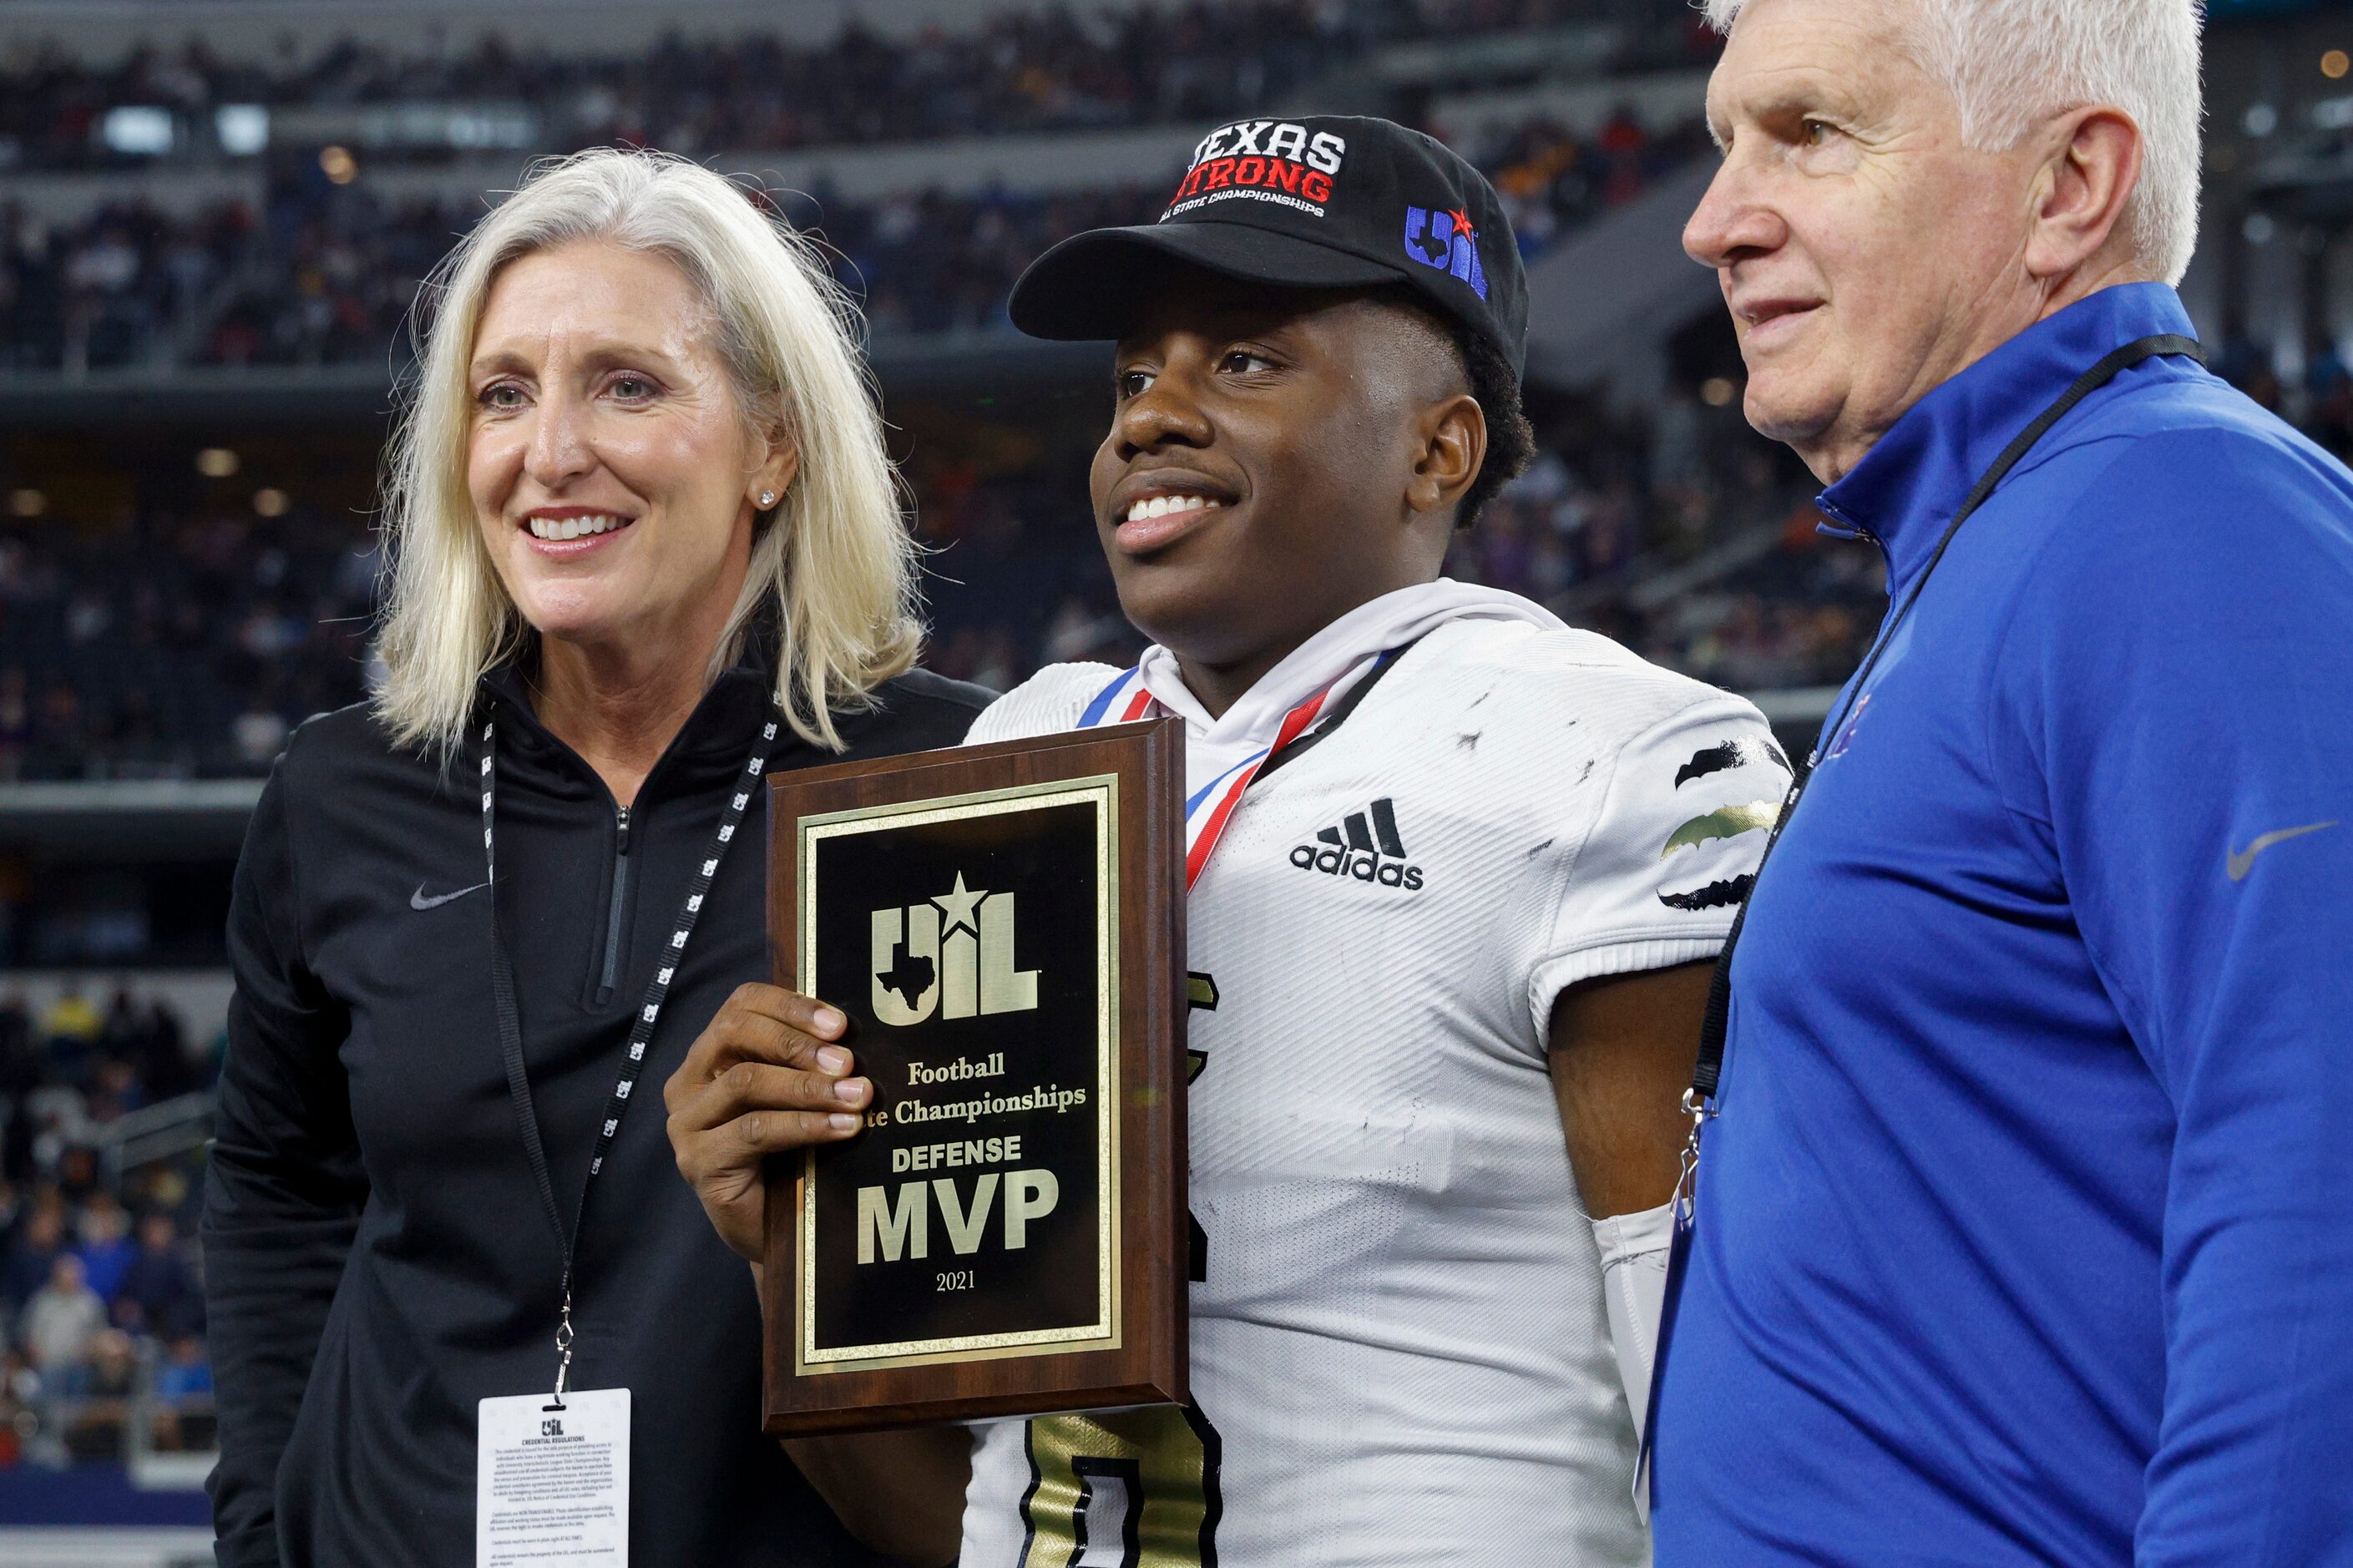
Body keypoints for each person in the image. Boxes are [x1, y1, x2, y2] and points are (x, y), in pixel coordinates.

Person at [666, 116, 1789, 1565]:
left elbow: (1731, 1380)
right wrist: (791, 1255)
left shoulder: (1613, 755)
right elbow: (973, 1519)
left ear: (1436, 447)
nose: (1148, 415)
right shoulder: (1020, 748)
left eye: (1244, 361)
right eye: (1134, 375)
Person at [200, 149, 990, 1568]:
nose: (548, 452)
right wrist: (264, 1528)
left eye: (627, 383)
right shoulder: (340, 791)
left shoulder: (954, 782)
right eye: (503, 394)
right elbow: (276, 1186)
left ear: (772, 442)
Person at [1650, 2, 2353, 1563]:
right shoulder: (2019, 533)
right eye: (1721, 147)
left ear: (2066, 189)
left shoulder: (2179, 516)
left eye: (1808, 134)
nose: (1712, 221)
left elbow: (2323, 1177)